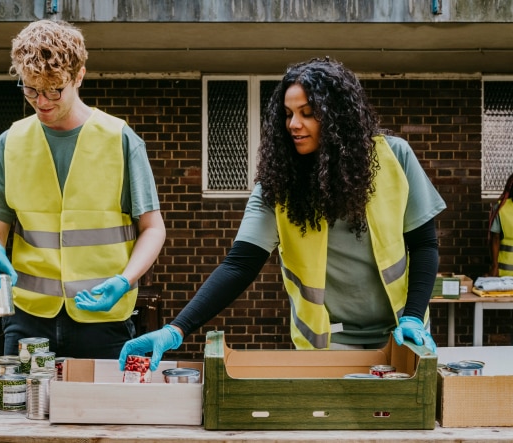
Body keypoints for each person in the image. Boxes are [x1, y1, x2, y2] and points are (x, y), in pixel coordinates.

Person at [120, 57, 446, 371]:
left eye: (307, 113)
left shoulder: (393, 157)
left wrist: (414, 317)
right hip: (327, 345)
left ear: (337, 116)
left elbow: (424, 245)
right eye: (288, 114)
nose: (294, 124)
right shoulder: (278, 185)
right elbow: (240, 265)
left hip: (402, 333)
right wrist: (176, 329)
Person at [0, 20, 166, 359]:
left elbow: (152, 228)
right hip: (27, 319)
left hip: (104, 318)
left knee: (101, 413)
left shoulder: (120, 140)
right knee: (18, 411)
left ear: (79, 76)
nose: (41, 101)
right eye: (30, 89)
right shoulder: (9, 144)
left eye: (53, 90)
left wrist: (125, 280)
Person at [488, 172, 513, 277]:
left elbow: (495, 238)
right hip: (505, 274)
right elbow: (495, 238)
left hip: (504, 273)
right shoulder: (501, 208)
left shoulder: (501, 207)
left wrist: (495, 266)